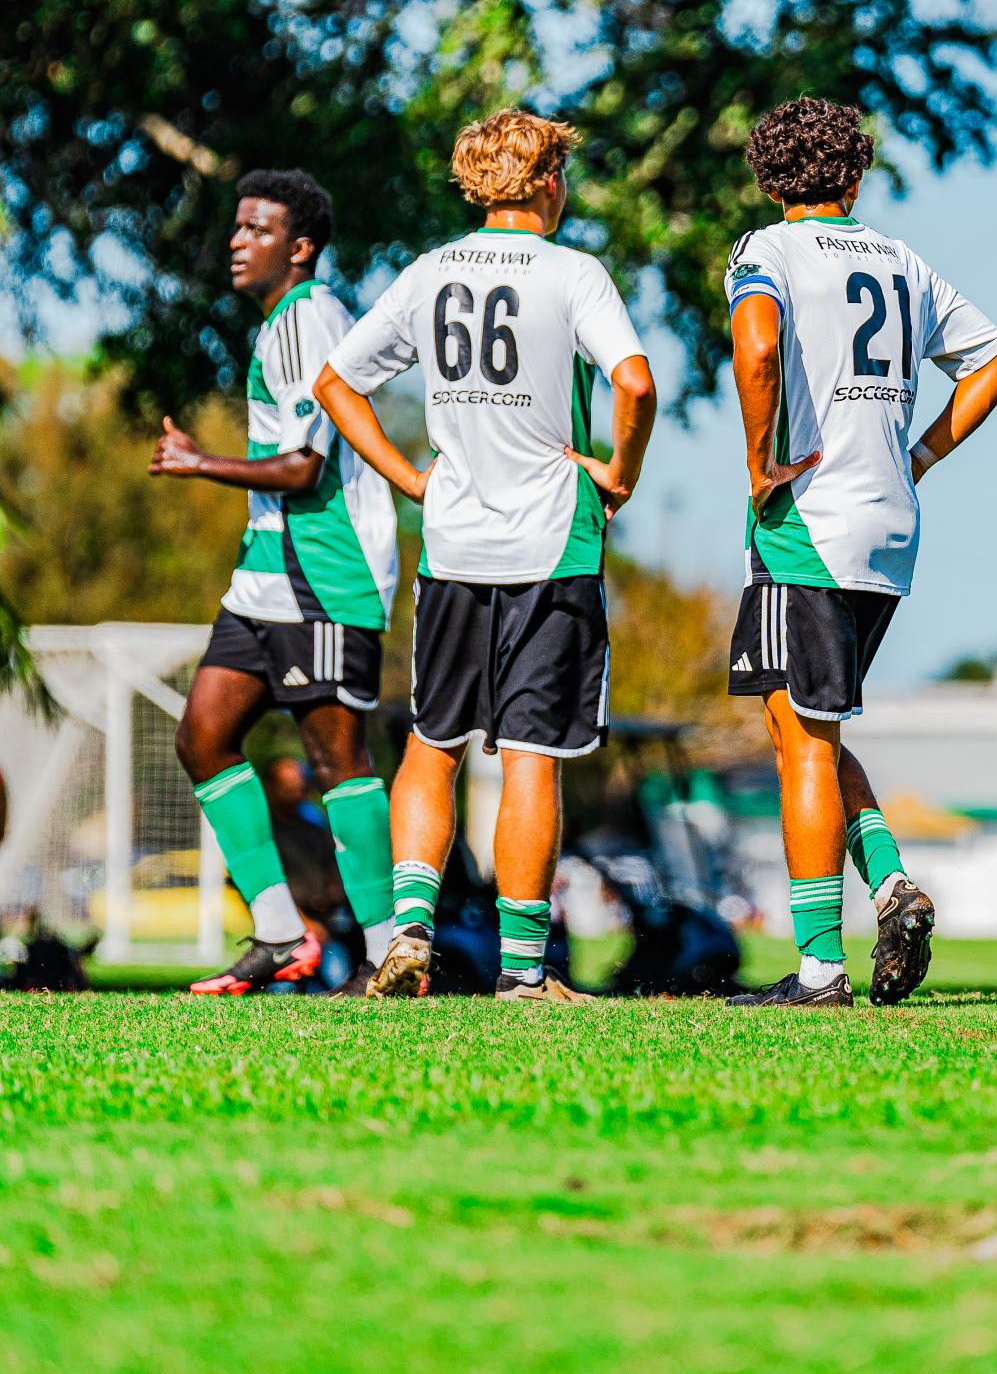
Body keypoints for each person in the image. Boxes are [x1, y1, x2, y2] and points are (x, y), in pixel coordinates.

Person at [313, 109, 656, 1004]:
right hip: (551, 543)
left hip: (455, 542)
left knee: (433, 743)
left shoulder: (431, 271)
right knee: (529, 758)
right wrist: (618, 473)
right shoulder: (573, 273)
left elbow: (336, 383)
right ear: (549, 182)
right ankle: (520, 974)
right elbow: (636, 380)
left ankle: (411, 932)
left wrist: (406, 478)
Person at [723, 98, 997, 1010]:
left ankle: (819, 971)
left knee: (803, 741)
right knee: (804, 728)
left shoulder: (764, 250)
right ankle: (891, 886)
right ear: (854, 176)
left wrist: (757, 458)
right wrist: (919, 455)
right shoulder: (900, 258)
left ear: (771, 181)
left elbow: (759, 341)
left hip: (808, 519)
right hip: (890, 527)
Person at [152, 169, 400, 996]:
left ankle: (385, 951)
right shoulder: (278, 327)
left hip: (324, 576)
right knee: (203, 738)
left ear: (300, 249)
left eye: (257, 228)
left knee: (338, 760)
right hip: (265, 576)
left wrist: (196, 462)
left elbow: (302, 466)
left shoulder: (308, 320)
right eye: (237, 226)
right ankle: (278, 934)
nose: (236, 239)